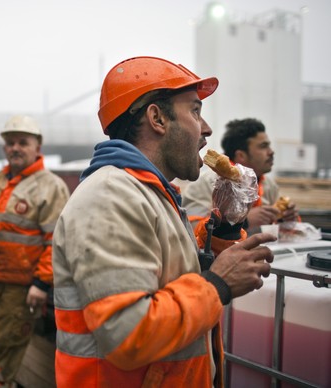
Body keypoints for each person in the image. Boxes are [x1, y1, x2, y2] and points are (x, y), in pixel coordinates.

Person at [51, 56, 275, 387]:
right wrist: (217, 285)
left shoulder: (149, 192)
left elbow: (169, 273)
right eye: (195, 111)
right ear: (157, 118)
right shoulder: (111, 196)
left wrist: (226, 225)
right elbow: (130, 334)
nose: (208, 128)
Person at [0, 114, 70, 388]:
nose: (15, 148)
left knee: (6, 349)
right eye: (10, 143)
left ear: (37, 147)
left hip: (20, 289)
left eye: (22, 142)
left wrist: (41, 284)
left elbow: (56, 241)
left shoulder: (51, 187)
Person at [183, 118, 300, 233]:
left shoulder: (269, 185)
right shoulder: (205, 184)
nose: (271, 152)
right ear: (241, 155)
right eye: (263, 146)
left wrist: (286, 219)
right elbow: (191, 230)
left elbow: (284, 229)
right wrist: (244, 222)